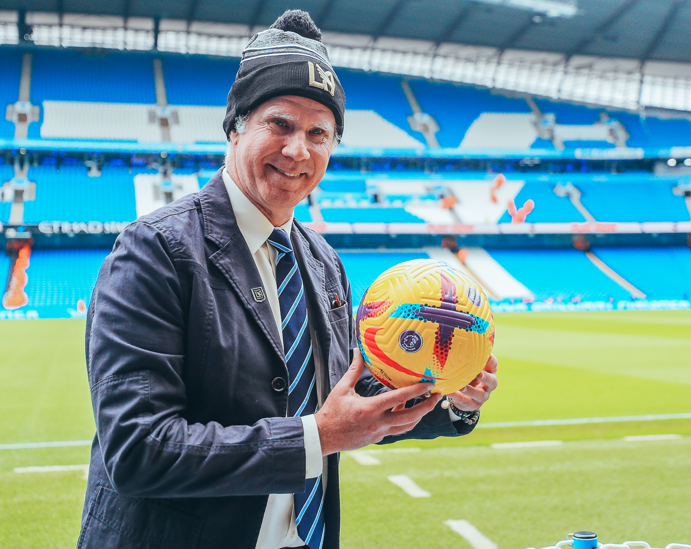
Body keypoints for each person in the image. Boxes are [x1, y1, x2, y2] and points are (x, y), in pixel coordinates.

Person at [77, 10, 498, 549]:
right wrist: (317, 437)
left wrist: (451, 402)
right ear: (235, 127)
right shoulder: (154, 251)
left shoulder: (323, 262)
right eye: (280, 124)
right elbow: (137, 450)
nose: (299, 149)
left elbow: (353, 398)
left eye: (318, 133)